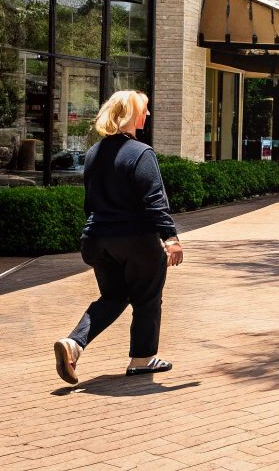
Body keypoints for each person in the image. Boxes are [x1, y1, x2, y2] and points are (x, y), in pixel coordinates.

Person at [53, 90, 183, 384]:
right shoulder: (142, 153)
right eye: (144, 109)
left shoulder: (93, 153)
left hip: (96, 238)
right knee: (147, 297)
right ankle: (142, 359)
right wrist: (171, 238)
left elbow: (90, 201)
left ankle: (73, 344)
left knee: (114, 296)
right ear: (132, 114)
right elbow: (155, 199)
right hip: (135, 240)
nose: (147, 114)